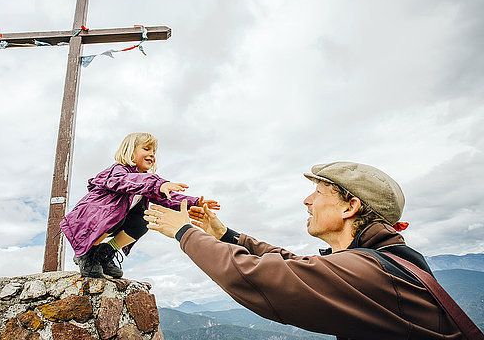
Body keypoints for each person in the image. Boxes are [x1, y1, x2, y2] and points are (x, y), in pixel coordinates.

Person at [144, 161, 467, 339]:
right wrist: (225, 234)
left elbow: (259, 276)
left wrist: (183, 231)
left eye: (318, 193)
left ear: (350, 206)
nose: (307, 201)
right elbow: (296, 263)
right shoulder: (378, 261)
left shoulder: (370, 271)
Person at [60, 132, 219, 279]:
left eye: (154, 152)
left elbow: (166, 197)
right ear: (130, 151)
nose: (152, 154)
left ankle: (105, 253)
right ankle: (87, 253)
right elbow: (126, 182)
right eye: (146, 149)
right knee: (116, 214)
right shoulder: (117, 171)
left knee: (143, 219)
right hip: (88, 223)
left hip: (114, 220)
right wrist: (158, 184)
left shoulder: (145, 181)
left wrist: (195, 202)